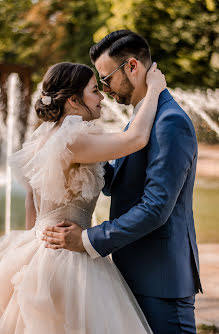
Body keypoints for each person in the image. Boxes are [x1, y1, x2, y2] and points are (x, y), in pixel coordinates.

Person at [44, 30, 203, 334]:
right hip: (131, 273)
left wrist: (88, 239)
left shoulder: (169, 121)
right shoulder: (142, 117)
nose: (104, 90)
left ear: (132, 67)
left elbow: (156, 207)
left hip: (161, 281)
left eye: (106, 79)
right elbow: (118, 182)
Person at [0, 61, 165, 333]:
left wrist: (35, 251)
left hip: (42, 247)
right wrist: (155, 90)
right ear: (75, 101)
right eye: (94, 91)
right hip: (69, 257)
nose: (102, 97)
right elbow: (136, 139)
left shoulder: (44, 136)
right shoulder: (74, 139)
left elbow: (31, 199)